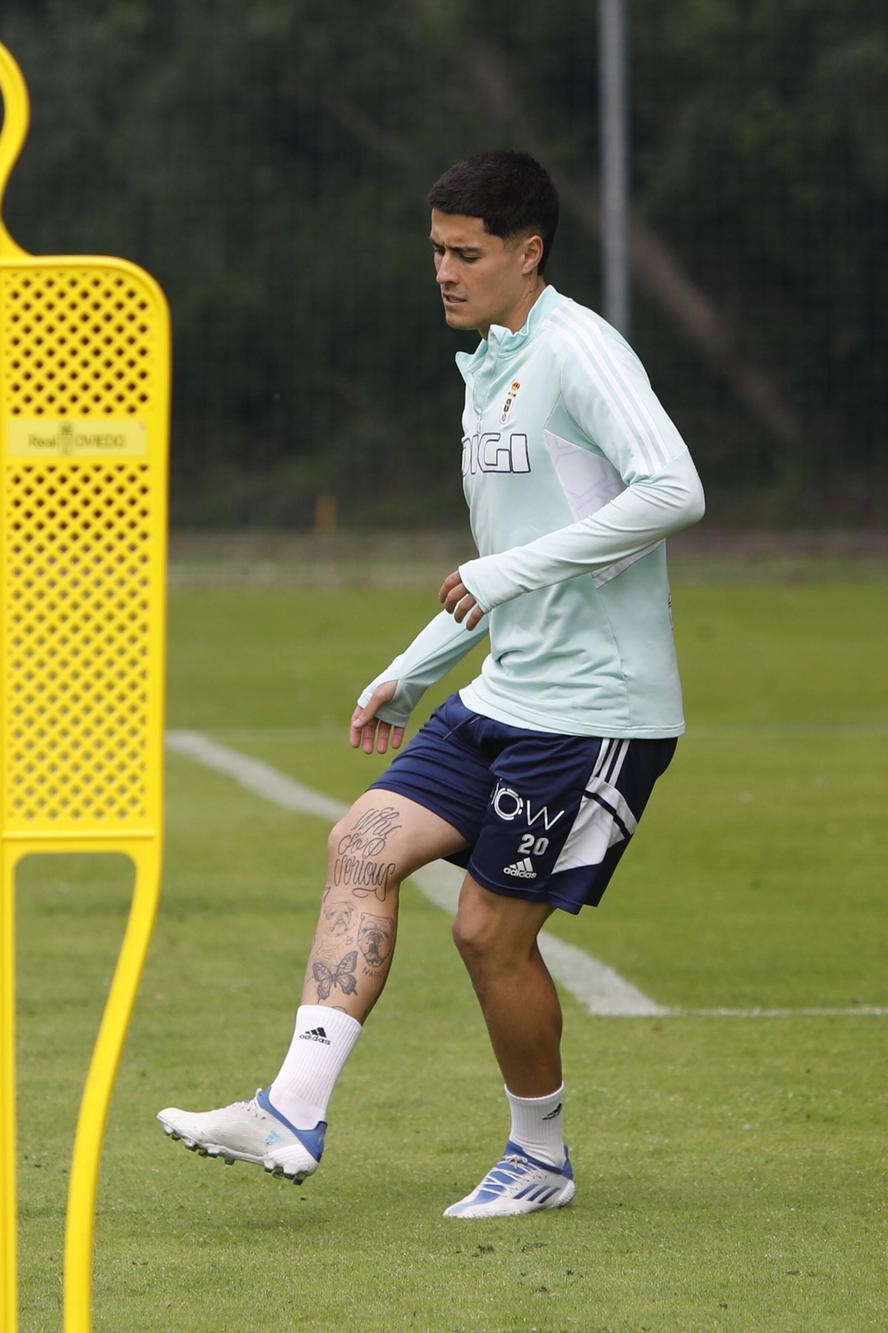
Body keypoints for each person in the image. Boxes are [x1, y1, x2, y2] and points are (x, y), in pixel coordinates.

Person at [157, 151, 704, 1218]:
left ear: (526, 253)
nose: (443, 272)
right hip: (505, 689)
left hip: (593, 712)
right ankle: (290, 1108)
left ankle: (537, 1156)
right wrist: (411, 670)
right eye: (436, 252)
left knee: (486, 933)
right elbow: (507, 563)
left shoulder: (577, 350)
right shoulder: (491, 367)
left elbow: (673, 488)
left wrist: (506, 572)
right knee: (360, 842)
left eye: (466, 253)